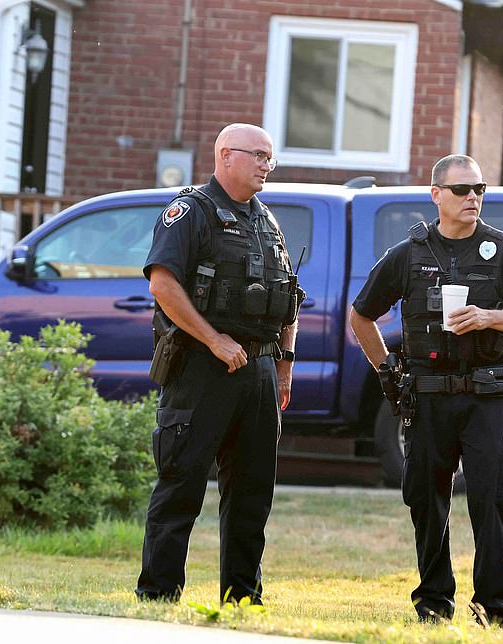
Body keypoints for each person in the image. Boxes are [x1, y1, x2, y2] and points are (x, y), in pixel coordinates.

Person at [349, 154, 503, 626]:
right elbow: (360, 316)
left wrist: (490, 317)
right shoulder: (408, 255)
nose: (473, 198)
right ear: (436, 195)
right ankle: (433, 604)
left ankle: (492, 609)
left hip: (489, 396)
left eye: (480, 189)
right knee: (425, 500)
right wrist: (387, 371)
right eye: (462, 190)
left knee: (490, 499)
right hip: (427, 396)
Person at [135, 123, 300, 604]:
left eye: (271, 158)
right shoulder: (190, 212)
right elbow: (163, 284)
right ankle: (159, 594)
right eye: (259, 156)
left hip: (260, 372)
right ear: (226, 155)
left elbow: (288, 298)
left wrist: (284, 366)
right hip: (201, 369)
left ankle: (243, 598)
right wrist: (213, 340)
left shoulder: (266, 221)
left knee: (252, 492)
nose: (267, 165)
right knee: (181, 483)